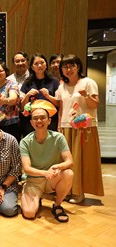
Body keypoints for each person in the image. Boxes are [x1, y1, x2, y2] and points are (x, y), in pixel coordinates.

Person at [56, 54, 104, 203]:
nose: (68, 69)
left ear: (78, 67)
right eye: (65, 66)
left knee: (82, 161)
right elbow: (61, 108)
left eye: (72, 66)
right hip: (66, 127)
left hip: (84, 128)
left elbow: (94, 104)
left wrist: (87, 95)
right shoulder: (61, 86)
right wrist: (59, 126)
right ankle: (68, 190)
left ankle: (79, 192)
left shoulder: (88, 82)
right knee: (67, 161)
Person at [20, 108, 74, 222]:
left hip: (52, 179)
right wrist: (45, 173)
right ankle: (36, 198)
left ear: (49, 121)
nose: (39, 121)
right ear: (31, 122)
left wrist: (57, 167)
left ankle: (57, 205)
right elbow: (27, 168)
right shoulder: (25, 142)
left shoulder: (58, 137)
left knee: (69, 173)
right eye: (35, 118)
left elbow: (69, 161)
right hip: (33, 181)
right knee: (29, 213)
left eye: (42, 117)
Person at [20, 53, 60, 137]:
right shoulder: (27, 83)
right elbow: (22, 107)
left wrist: (48, 96)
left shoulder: (54, 81)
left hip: (50, 121)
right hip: (31, 122)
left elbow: (59, 103)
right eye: (36, 64)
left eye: (42, 63)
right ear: (32, 67)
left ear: (46, 65)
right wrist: (27, 95)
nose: (39, 65)